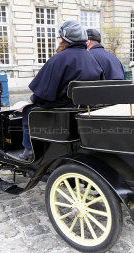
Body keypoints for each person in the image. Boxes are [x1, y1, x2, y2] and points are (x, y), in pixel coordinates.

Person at [19, 20, 104, 160]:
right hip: (84, 109)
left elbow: (41, 95)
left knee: (28, 110)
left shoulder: (59, 58)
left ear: (64, 39)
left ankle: (29, 150)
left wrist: (33, 101)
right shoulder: (92, 58)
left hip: (62, 110)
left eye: (60, 38)